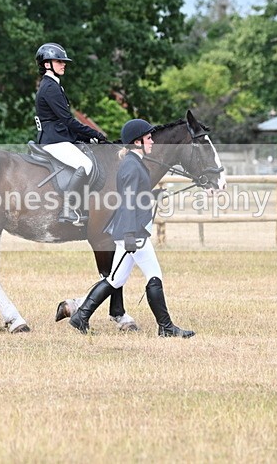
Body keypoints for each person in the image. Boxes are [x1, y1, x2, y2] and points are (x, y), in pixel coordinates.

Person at [68, 118, 195, 338]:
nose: (152, 142)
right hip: (132, 233)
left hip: (132, 232)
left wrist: (151, 195)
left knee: (116, 279)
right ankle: (166, 327)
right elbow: (127, 202)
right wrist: (128, 235)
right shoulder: (131, 165)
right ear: (137, 142)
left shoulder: (134, 163)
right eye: (148, 138)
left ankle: (81, 316)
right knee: (150, 275)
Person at [35, 42, 106, 225]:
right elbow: (67, 120)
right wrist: (94, 133)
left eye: (63, 61)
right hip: (54, 140)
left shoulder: (53, 85)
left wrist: (87, 137)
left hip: (58, 136)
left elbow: (63, 123)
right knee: (85, 164)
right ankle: (67, 208)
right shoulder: (50, 87)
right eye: (59, 61)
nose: (63, 64)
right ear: (47, 64)